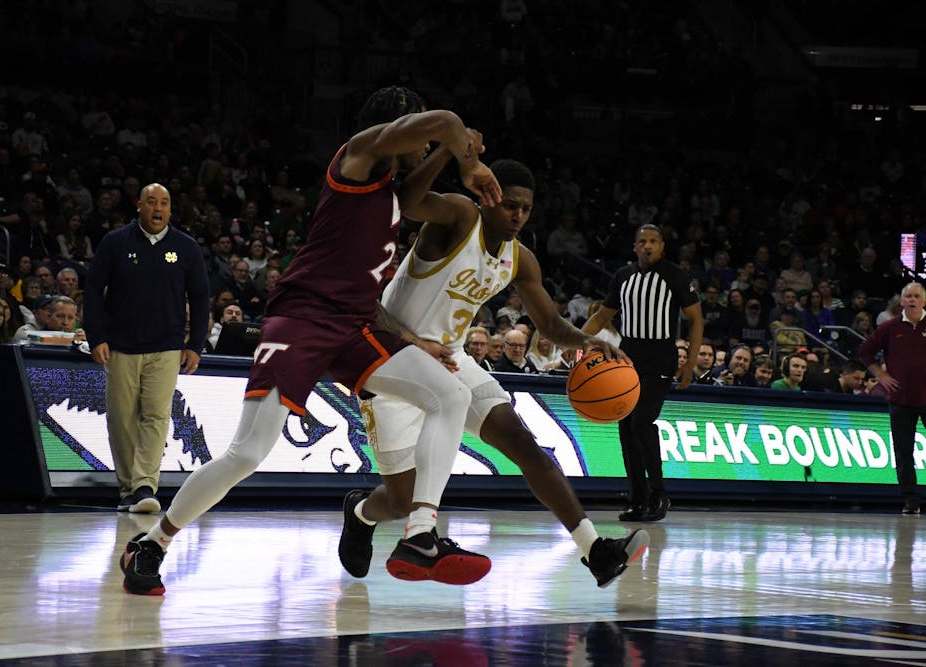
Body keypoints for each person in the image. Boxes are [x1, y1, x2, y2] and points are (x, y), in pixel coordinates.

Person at [118, 87, 503, 595]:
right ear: (399, 127)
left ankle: (420, 535)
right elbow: (447, 119)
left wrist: (410, 340)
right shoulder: (357, 158)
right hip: (303, 318)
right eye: (420, 135)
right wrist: (465, 156)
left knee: (450, 394)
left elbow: (409, 197)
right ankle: (154, 543)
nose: (429, 145)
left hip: (354, 325)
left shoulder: (391, 189)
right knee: (249, 452)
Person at [339, 158, 647, 589]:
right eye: (510, 206)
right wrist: (450, 149)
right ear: (489, 199)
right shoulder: (460, 217)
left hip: (450, 359)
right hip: (392, 356)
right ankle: (360, 512)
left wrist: (590, 342)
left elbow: (552, 326)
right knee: (399, 500)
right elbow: (408, 202)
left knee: (522, 442)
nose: (518, 216)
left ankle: (594, 549)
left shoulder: (520, 259)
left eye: (525, 208)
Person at [85, 183, 210, 516]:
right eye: (152, 202)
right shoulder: (115, 242)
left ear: (171, 209)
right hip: (121, 346)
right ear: (138, 205)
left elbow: (200, 298)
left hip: (167, 347)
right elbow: (94, 289)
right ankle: (128, 488)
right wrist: (96, 336)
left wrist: (195, 344)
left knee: (156, 416)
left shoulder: (186, 247)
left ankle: (144, 486)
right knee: (121, 418)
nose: (158, 208)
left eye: (165, 203)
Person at [583, 224, 703, 522]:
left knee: (641, 422)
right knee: (625, 430)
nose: (647, 246)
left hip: (661, 358)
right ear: (634, 246)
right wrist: (571, 341)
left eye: (653, 241)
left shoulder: (676, 275)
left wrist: (690, 363)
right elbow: (602, 316)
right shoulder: (623, 277)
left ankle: (659, 494)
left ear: (662, 246)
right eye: (642, 241)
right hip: (627, 358)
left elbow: (696, 320)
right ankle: (637, 499)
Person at [859, 281, 926, 515]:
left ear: (924, 301)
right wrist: (881, 375)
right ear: (901, 300)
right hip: (901, 399)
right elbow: (865, 351)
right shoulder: (890, 327)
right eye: (908, 296)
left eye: (917, 296)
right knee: (903, 452)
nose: (912, 300)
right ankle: (911, 500)